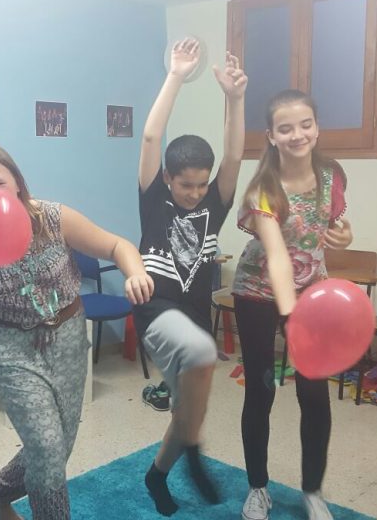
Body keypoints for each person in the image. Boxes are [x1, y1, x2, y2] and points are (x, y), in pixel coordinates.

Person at [0, 142, 154, 520]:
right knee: (45, 446)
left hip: (68, 337)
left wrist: (134, 271)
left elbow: (117, 244)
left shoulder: (53, 219)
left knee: (58, 445)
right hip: (9, 347)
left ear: (18, 184)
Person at [134, 37, 247, 516]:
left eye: (202, 184)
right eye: (187, 184)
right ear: (167, 179)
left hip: (197, 313)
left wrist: (235, 98)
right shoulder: (153, 198)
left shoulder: (212, 203)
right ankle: (195, 453)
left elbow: (235, 157)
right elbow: (151, 139)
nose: (195, 193)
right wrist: (176, 75)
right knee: (204, 353)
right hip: (157, 309)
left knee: (186, 410)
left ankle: (157, 475)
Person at [231, 89, 351, 520]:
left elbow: (332, 226)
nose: (298, 134)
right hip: (260, 294)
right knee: (261, 391)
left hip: (311, 293)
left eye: (306, 125)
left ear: (317, 127)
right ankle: (258, 488)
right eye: (286, 128)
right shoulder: (264, 188)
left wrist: (345, 236)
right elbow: (278, 255)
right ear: (271, 136)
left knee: (315, 395)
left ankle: (313, 490)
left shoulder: (333, 175)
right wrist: (290, 312)